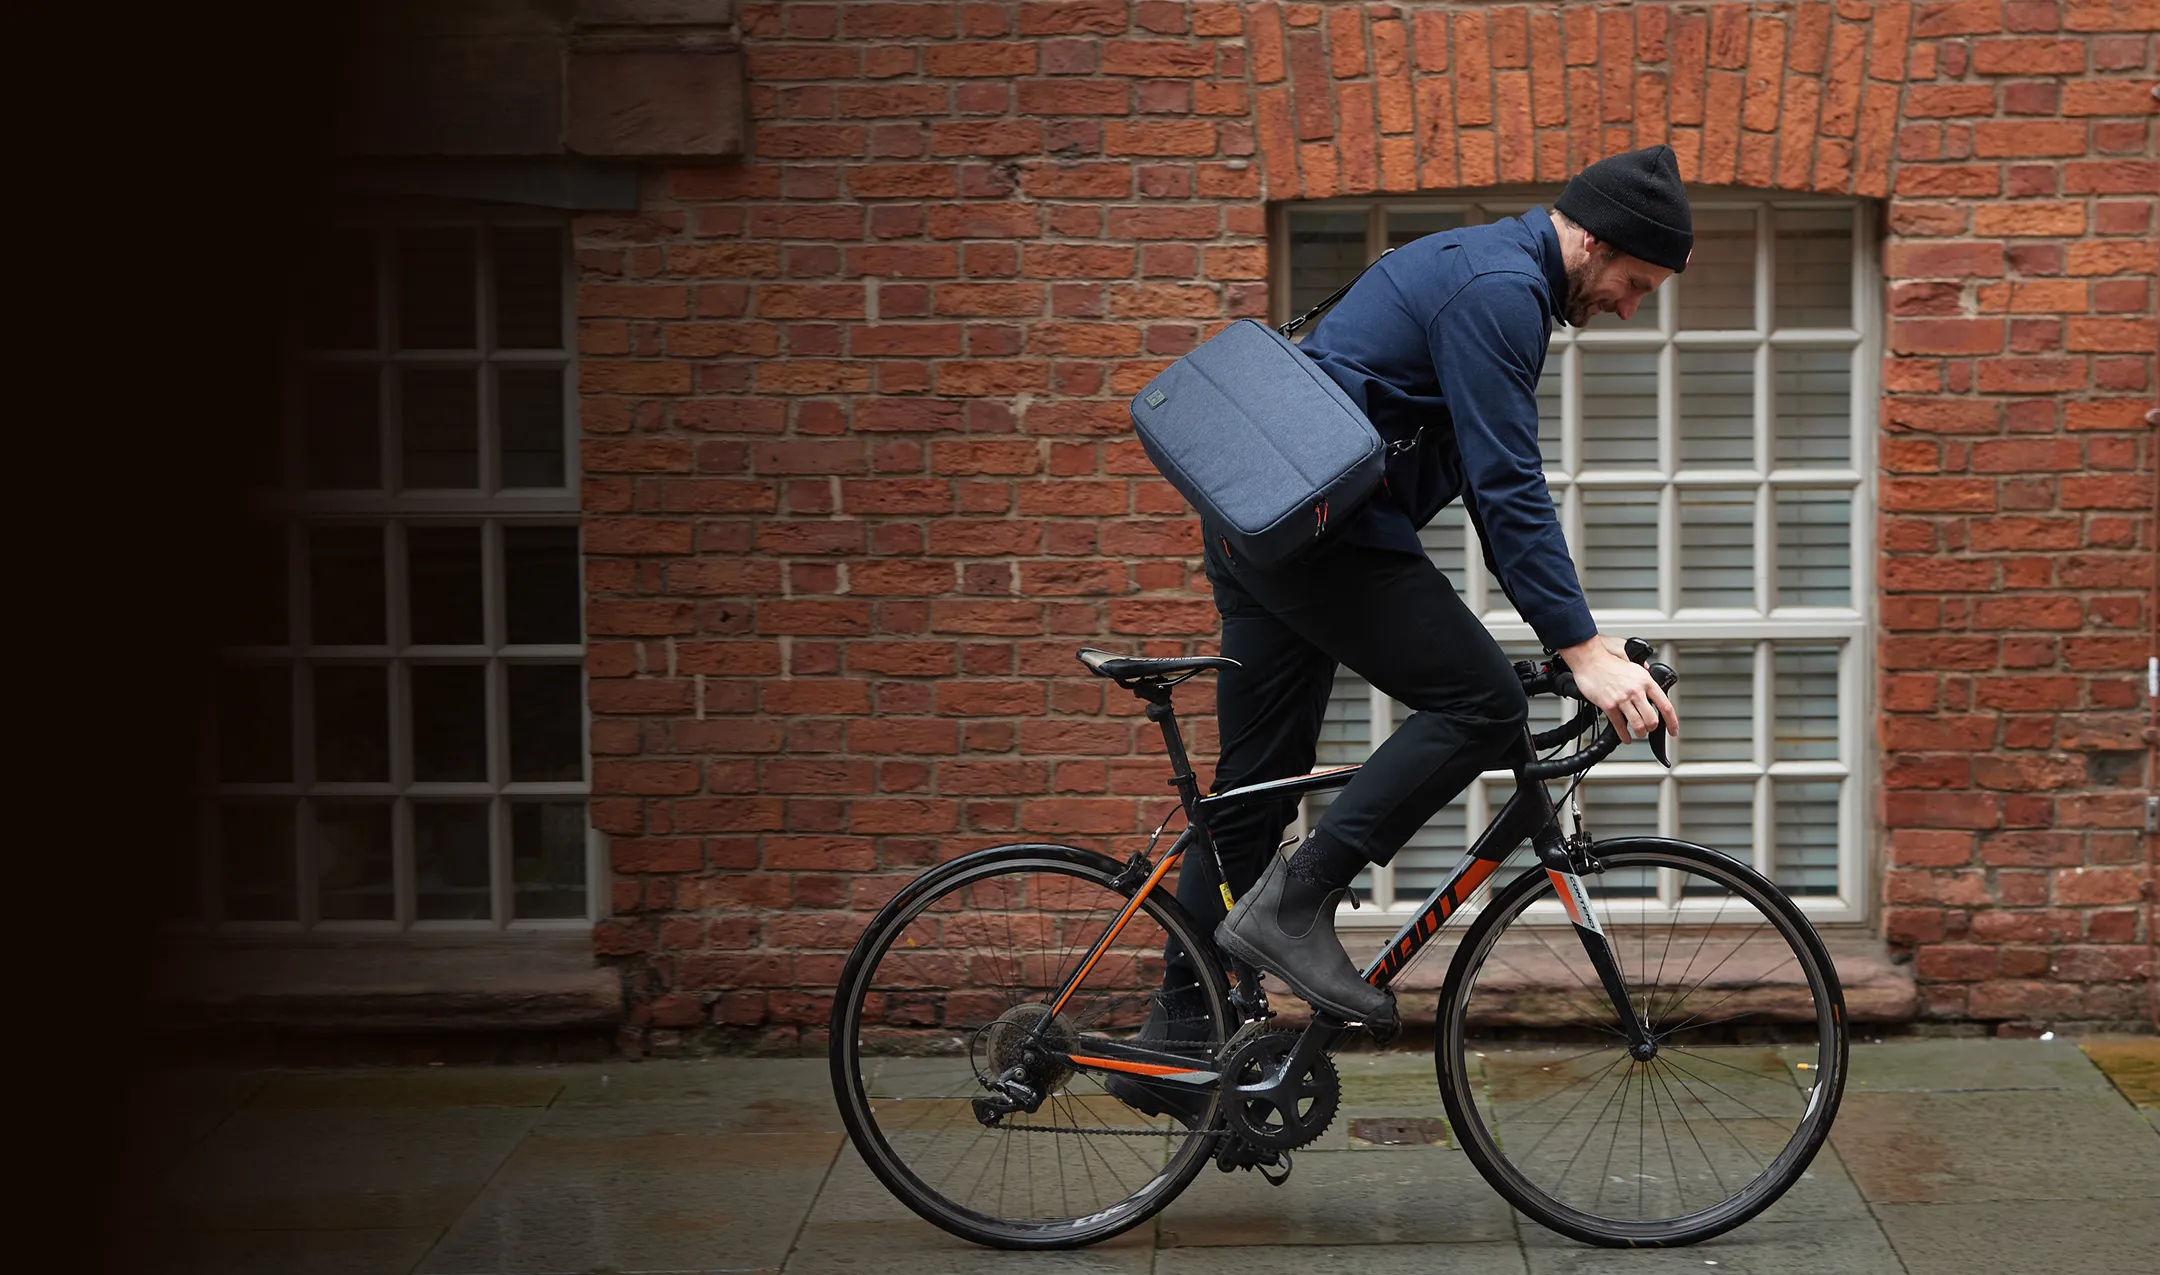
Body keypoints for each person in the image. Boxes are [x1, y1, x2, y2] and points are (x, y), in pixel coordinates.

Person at [1114, 147, 1690, 1124]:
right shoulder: (1501, 293)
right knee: (1480, 703)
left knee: (1252, 798)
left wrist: (1571, 634)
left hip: (1265, 530)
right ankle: (1300, 907)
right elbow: (1508, 485)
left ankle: (1174, 1036)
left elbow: (1474, 470)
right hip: (1320, 541)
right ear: (1592, 241)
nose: (1632, 307)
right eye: (1635, 283)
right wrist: (1584, 651)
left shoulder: (1479, 265)